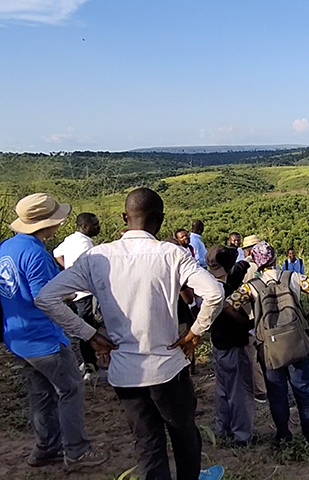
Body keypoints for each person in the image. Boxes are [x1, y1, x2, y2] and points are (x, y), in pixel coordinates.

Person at [36, 188, 225, 480]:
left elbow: (46, 298)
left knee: (147, 444)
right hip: (168, 368)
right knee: (185, 435)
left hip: (125, 372)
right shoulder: (171, 254)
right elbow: (214, 293)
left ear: (125, 217)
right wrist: (195, 332)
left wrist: (88, 334)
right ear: (160, 220)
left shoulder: (97, 257)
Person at [0, 193, 110, 472]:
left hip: (18, 337)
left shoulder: (7, 248)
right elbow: (43, 298)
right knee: (71, 389)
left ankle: (45, 448)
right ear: (47, 223)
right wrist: (82, 325)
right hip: (42, 338)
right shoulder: (35, 254)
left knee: (41, 394)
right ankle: (77, 451)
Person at [224, 241, 309, 447]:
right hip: (295, 341)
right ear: (273, 258)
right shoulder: (292, 277)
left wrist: (250, 325)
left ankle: (283, 436)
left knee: (276, 393)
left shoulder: (251, 286)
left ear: (256, 262)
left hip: (269, 345)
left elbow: (228, 307)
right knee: (304, 391)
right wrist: (307, 317)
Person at [206, 246, 255, 447]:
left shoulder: (209, 287)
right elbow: (238, 319)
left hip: (218, 344)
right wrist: (252, 325)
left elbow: (238, 270)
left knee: (222, 390)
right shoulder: (226, 293)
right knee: (240, 392)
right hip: (234, 344)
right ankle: (242, 436)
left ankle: (222, 428)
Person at [53, 212, 102, 381]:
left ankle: (88, 361)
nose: (98, 227)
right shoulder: (85, 245)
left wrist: (68, 270)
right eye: (95, 225)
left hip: (74, 290)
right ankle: (90, 365)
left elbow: (56, 253)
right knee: (87, 328)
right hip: (85, 292)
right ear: (84, 226)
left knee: (83, 325)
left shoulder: (70, 239)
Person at [240, 234, 266, 402]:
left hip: (250, 315)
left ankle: (261, 390)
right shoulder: (268, 264)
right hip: (269, 315)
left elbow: (240, 294)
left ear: (248, 250)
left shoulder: (245, 267)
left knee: (253, 355)